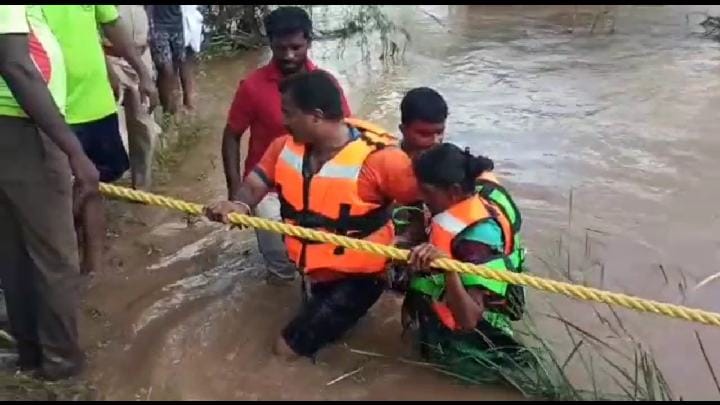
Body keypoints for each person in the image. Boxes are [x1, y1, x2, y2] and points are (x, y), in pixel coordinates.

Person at [206, 70, 419, 360]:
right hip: (314, 272)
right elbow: (256, 182)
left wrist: (412, 243)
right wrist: (239, 205)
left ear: (315, 116)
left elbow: (422, 198)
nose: (283, 121)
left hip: (361, 276)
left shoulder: (382, 160)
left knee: (283, 351)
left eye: (289, 113)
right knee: (330, 335)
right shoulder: (283, 147)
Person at [0, 5, 99, 380]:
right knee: (55, 256)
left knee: (15, 254)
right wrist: (73, 150)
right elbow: (16, 64)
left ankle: (31, 358)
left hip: (11, 129)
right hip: (24, 128)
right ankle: (62, 365)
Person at [222, 6, 352, 285]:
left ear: (309, 42)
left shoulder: (325, 84)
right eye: (281, 48)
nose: (289, 55)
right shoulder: (252, 86)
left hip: (316, 182)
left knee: (320, 260)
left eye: (296, 47)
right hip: (266, 187)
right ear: (270, 44)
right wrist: (235, 193)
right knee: (280, 264)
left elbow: (348, 133)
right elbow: (231, 136)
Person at [42, 5, 159, 274]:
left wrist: (141, 72)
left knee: (93, 185)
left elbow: (110, 25)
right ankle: (60, 263)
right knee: (60, 194)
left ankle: (92, 268)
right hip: (53, 111)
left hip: (96, 104)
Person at [402, 143, 529, 384]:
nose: (422, 197)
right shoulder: (471, 194)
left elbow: (469, 320)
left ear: (454, 190)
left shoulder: (477, 239)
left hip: (474, 339)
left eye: (427, 192)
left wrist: (449, 269)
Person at [105, 5, 162, 190]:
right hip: (109, 57)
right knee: (110, 124)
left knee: (144, 126)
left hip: (141, 55)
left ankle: (141, 187)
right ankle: (104, 186)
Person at [146, 5, 201, 115]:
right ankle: (167, 110)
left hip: (177, 23)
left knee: (178, 66)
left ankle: (176, 108)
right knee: (166, 69)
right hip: (157, 25)